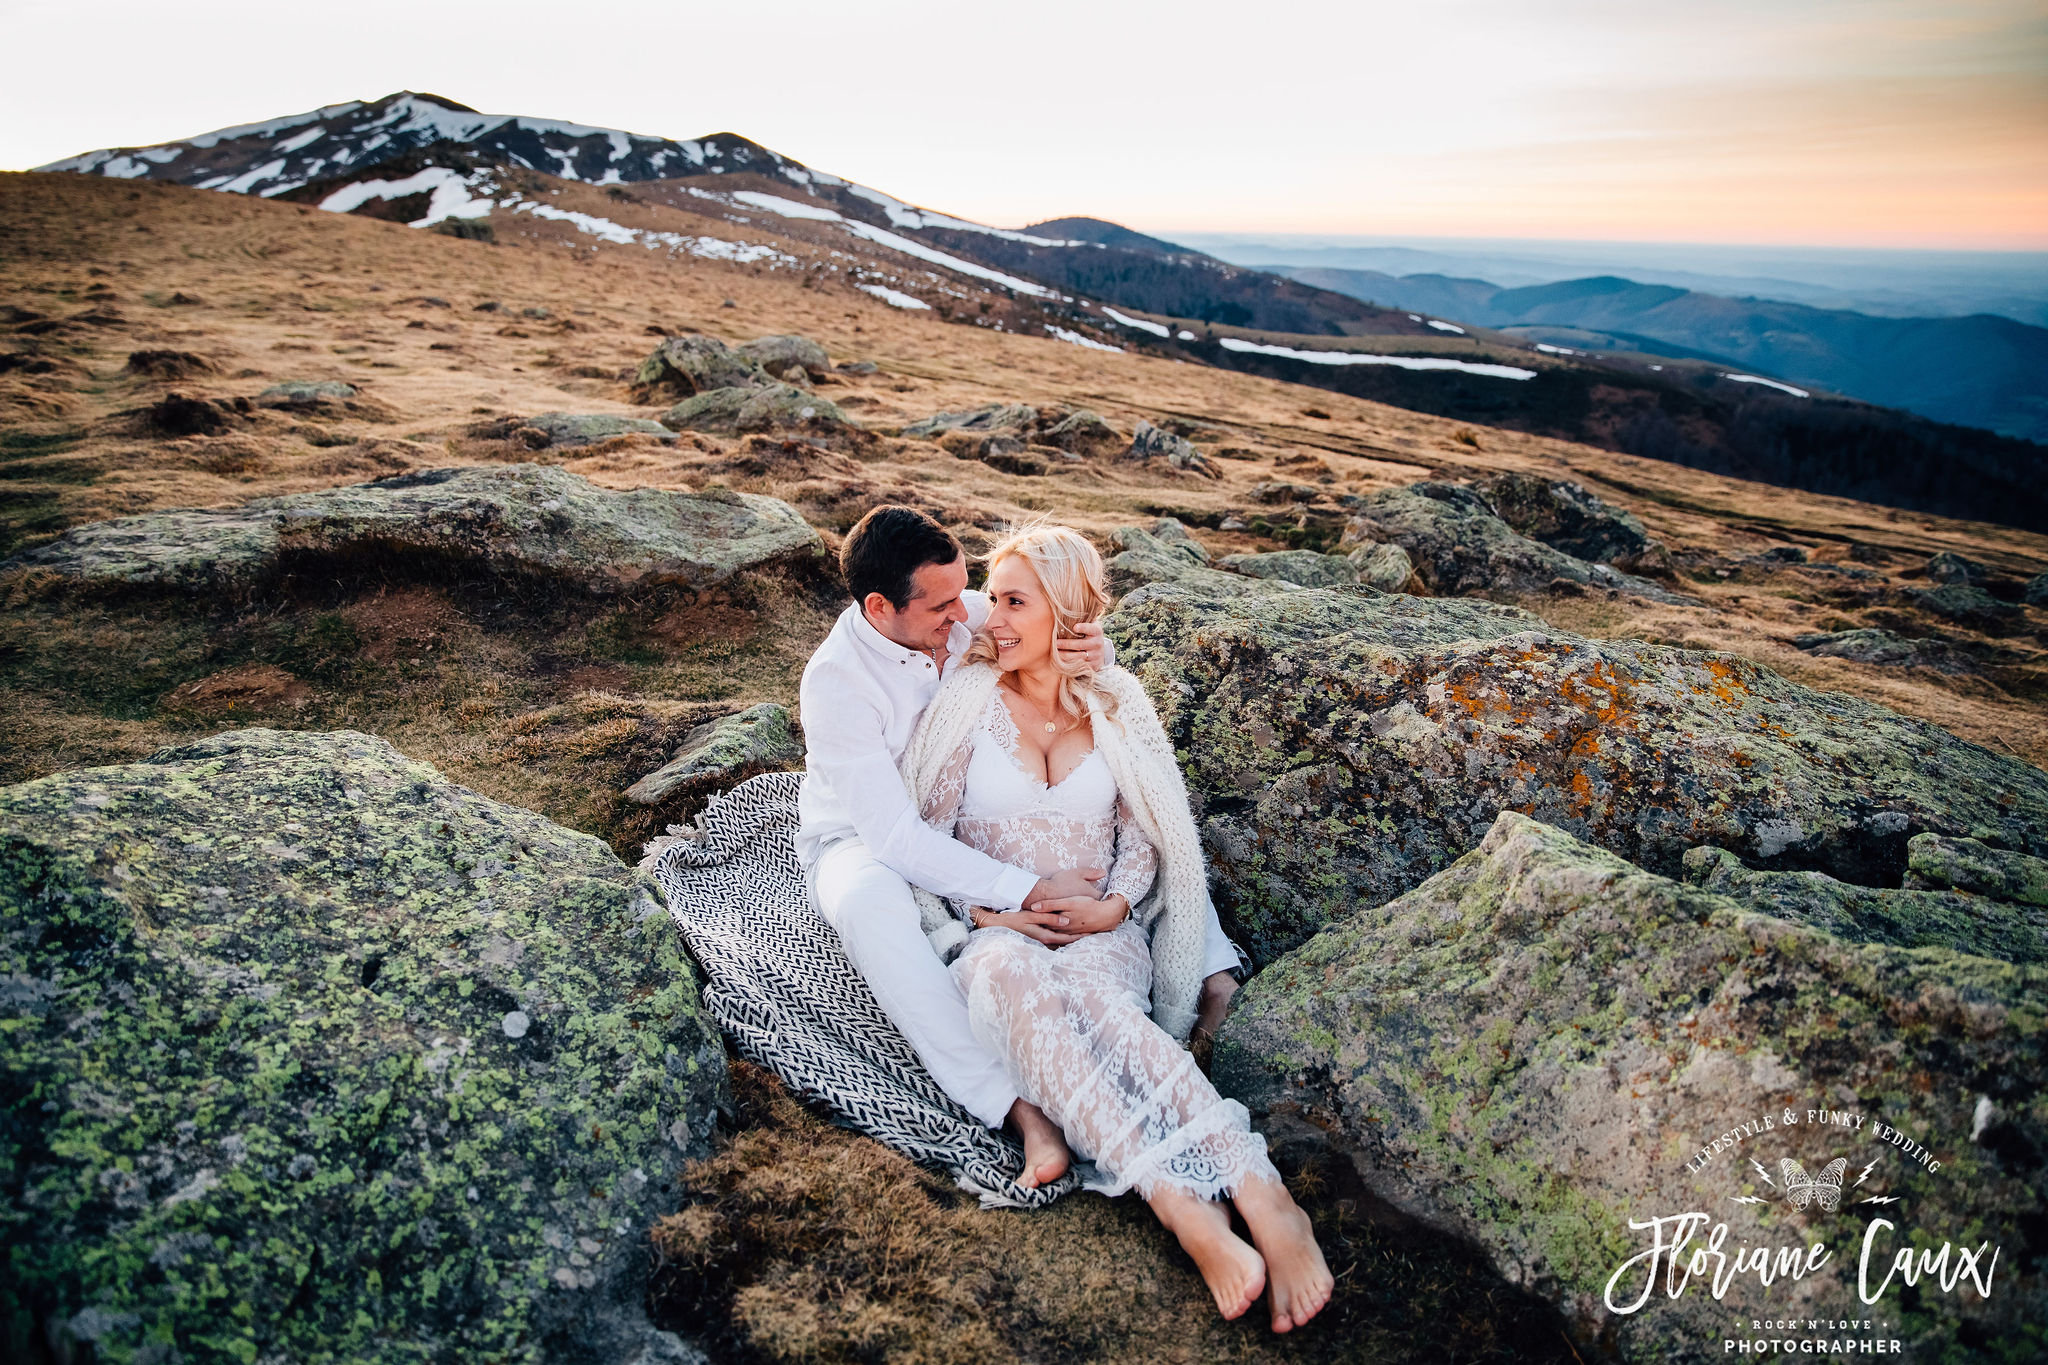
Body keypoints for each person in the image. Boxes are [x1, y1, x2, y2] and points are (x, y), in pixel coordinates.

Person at [895, 522, 1334, 1332]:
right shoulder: (965, 698)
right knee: (1008, 977)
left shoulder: (1115, 701)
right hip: (996, 933)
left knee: (1102, 1010)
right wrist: (989, 912)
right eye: (994, 598)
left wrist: (1118, 908)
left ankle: (1262, 1195)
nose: (993, 616)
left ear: (1067, 613)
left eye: (1014, 600)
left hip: (1105, 932)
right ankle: (1187, 1207)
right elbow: (925, 834)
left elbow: (1148, 834)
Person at [797, 506, 1243, 1191]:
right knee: (869, 905)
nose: (968, 614)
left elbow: (1046, 628)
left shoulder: (958, 605)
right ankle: (1017, 1106)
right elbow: (895, 836)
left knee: (1111, 807)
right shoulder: (837, 682)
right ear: (882, 606)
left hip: (964, 795)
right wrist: (1019, 893)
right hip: (862, 830)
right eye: (946, 605)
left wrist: (1102, 653)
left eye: (967, 594)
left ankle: (1208, 960)